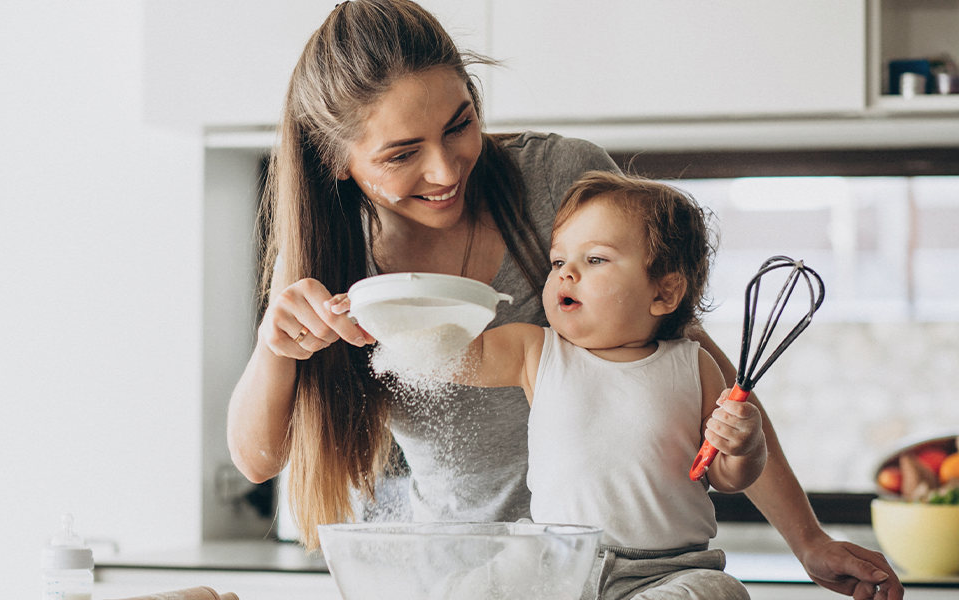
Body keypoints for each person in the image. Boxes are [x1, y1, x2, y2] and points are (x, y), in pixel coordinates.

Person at [226, 2, 902, 599]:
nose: (446, 168)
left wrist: (809, 541)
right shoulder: (335, 264)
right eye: (403, 154)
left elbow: (706, 375)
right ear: (339, 161)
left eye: (460, 123)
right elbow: (258, 460)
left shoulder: (558, 178)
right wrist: (274, 345)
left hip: (632, 566)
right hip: (475, 576)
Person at [422, 171, 759, 599]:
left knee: (720, 591)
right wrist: (385, 322)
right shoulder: (536, 351)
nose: (566, 274)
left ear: (664, 292)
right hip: (552, 561)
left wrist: (744, 446)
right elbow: (456, 355)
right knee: (465, 590)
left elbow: (726, 475)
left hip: (666, 570)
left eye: (595, 260)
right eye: (558, 262)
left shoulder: (694, 366)